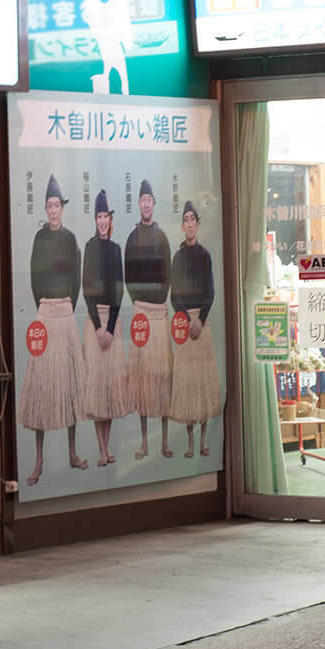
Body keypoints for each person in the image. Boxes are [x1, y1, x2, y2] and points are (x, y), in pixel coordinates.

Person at [19, 175, 87, 485]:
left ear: (63, 208)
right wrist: (44, 307)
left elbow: (77, 276)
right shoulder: (39, 239)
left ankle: (73, 453)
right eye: (48, 205)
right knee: (42, 389)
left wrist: (68, 306)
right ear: (45, 209)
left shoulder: (71, 238)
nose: (53, 210)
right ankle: (39, 461)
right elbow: (34, 277)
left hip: (66, 312)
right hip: (45, 312)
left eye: (57, 204)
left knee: (70, 385)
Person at [166, 200, 224, 458]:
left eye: (193, 219)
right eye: (185, 220)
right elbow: (174, 295)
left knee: (203, 383)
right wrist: (186, 320)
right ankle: (189, 443)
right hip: (184, 325)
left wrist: (201, 319)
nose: (189, 223)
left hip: (203, 322)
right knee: (187, 384)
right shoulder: (177, 258)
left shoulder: (205, 255)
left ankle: (203, 442)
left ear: (198, 224)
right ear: (182, 226)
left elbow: (210, 292)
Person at [122, 178, 174, 460]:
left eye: (149, 200)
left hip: (159, 312)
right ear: (139, 203)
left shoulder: (163, 237)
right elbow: (128, 275)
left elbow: (168, 272)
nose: (145, 204)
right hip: (141, 311)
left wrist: (158, 303)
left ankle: (165, 441)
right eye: (142, 199)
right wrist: (139, 304)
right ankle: (144, 442)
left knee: (162, 377)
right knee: (143, 380)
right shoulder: (131, 238)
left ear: (154, 204)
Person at [78, 190, 129, 466]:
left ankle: (107, 446)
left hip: (113, 323)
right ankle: (100, 449)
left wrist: (110, 328)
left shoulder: (116, 249)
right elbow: (87, 290)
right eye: (98, 216)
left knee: (110, 387)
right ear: (95, 219)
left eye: (105, 216)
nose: (102, 221)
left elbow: (119, 291)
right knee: (97, 386)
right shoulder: (89, 247)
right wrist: (99, 328)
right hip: (94, 322)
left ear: (111, 219)